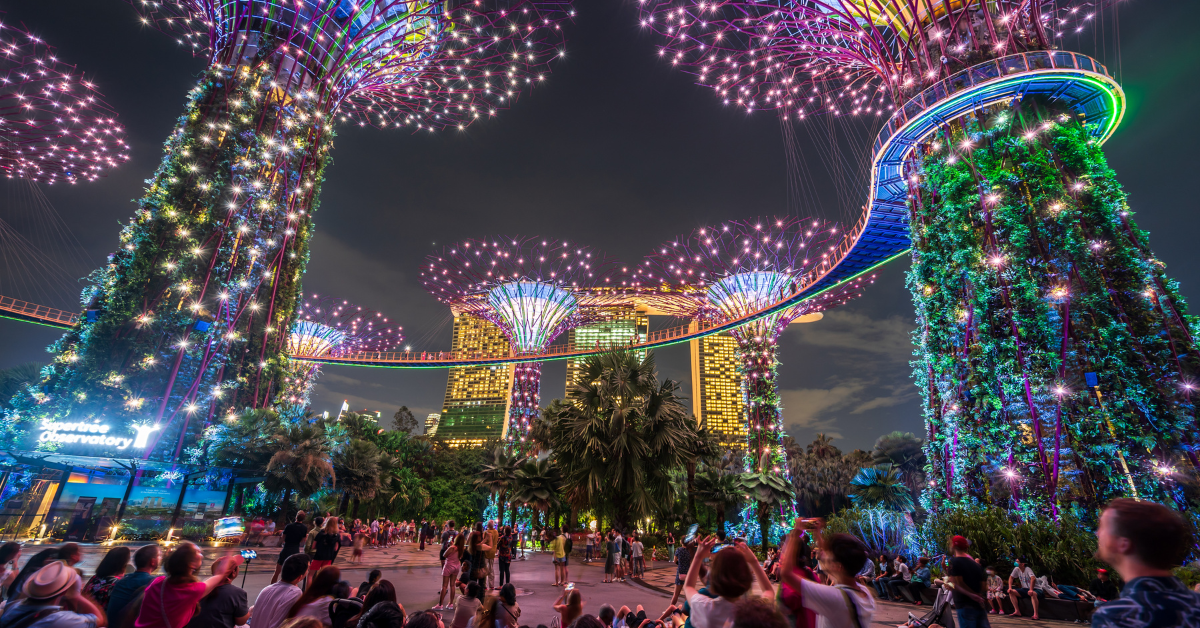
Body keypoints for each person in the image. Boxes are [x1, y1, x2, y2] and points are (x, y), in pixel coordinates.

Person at [1090, 498, 1200, 627]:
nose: (1097, 533)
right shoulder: (1195, 605)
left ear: (1123, 544)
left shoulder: (1117, 617)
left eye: (1103, 527)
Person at [779, 519, 875, 628]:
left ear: (838, 566)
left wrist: (793, 536)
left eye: (829, 554)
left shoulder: (834, 597)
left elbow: (786, 574)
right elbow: (830, 556)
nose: (823, 554)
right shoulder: (864, 592)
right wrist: (817, 533)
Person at [133, 542, 241, 628]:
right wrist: (229, 552)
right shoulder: (192, 590)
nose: (201, 553)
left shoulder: (158, 581)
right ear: (190, 564)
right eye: (197, 552)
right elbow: (219, 575)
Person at [683, 536, 773, 628]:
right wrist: (754, 561)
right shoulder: (754, 612)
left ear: (713, 577)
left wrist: (698, 556)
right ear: (747, 577)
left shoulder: (706, 608)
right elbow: (768, 591)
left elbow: (688, 587)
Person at [0, 561, 108, 628]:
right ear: (64, 591)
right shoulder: (59, 619)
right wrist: (75, 595)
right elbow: (98, 619)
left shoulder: (14, 606)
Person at [183, 557, 249, 628]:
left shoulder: (200, 588)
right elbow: (241, 621)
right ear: (233, 573)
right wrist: (249, 612)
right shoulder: (237, 593)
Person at [106, 546, 161, 626]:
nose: (161, 558)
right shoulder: (154, 583)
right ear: (153, 561)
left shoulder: (121, 582)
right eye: (159, 556)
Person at [253, 554, 311, 628]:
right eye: (308, 569)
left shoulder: (267, 589)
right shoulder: (295, 593)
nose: (308, 571)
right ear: (299, 577)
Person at [945, 535, 988, 628]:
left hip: (964, 606)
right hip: (979, 605)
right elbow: (984, 586)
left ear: (953, 546)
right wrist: (977, 595)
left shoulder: (955, 562)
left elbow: (956, 584)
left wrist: (948, 583)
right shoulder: (975, 564)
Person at [273, 512, 310, 585]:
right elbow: (303, 540)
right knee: (293, 572)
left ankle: (271, 587)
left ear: (296, 517)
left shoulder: (289, 526)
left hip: (286, 548)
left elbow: (283, 537)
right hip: (295, 549)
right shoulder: (304, 528)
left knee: (277, 571)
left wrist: (279, 544)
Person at [434, 532, 465, 610]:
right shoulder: (462, 549)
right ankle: (451, 603)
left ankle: (440, 604)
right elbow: (460, 557)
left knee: (444, 585)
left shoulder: (452, 548)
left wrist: (450, 546)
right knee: (452, 585)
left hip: (449, 566)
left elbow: (444, 555)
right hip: (456, 566)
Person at [669, 538, 695, 606]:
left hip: (680, 573)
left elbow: (675, 561)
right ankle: (685, 612)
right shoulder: (690, 551)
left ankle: (670, 609)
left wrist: (680, 564)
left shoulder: (679, 550)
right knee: (687, 595)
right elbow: (691, 563)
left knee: (676, 595)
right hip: (688, 574)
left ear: (681, 542)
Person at [484, 522, 499, 592]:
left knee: (485, 568)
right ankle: (491, 585)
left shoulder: (486, 532)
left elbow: (484, 541)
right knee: (491, 568)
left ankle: (484, 585)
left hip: (486, 551)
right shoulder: (496, 532)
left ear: (488, 525)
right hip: (493, 551)